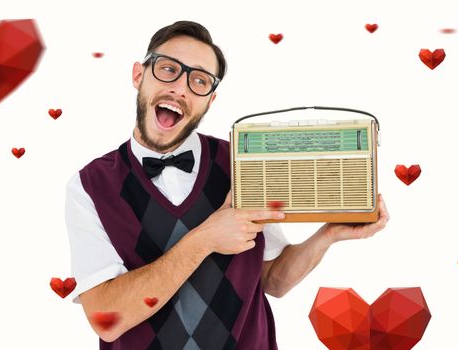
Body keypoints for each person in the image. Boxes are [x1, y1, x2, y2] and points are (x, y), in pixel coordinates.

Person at [65, 20, 389, 350]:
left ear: (210, 100)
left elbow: (272, 280)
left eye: (199, 81)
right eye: (167, 69)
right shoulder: (90, 185)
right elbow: (107, 318)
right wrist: (205, 239)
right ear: (138, 75)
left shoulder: (244, 162)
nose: (180, 87)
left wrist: (328, 234)